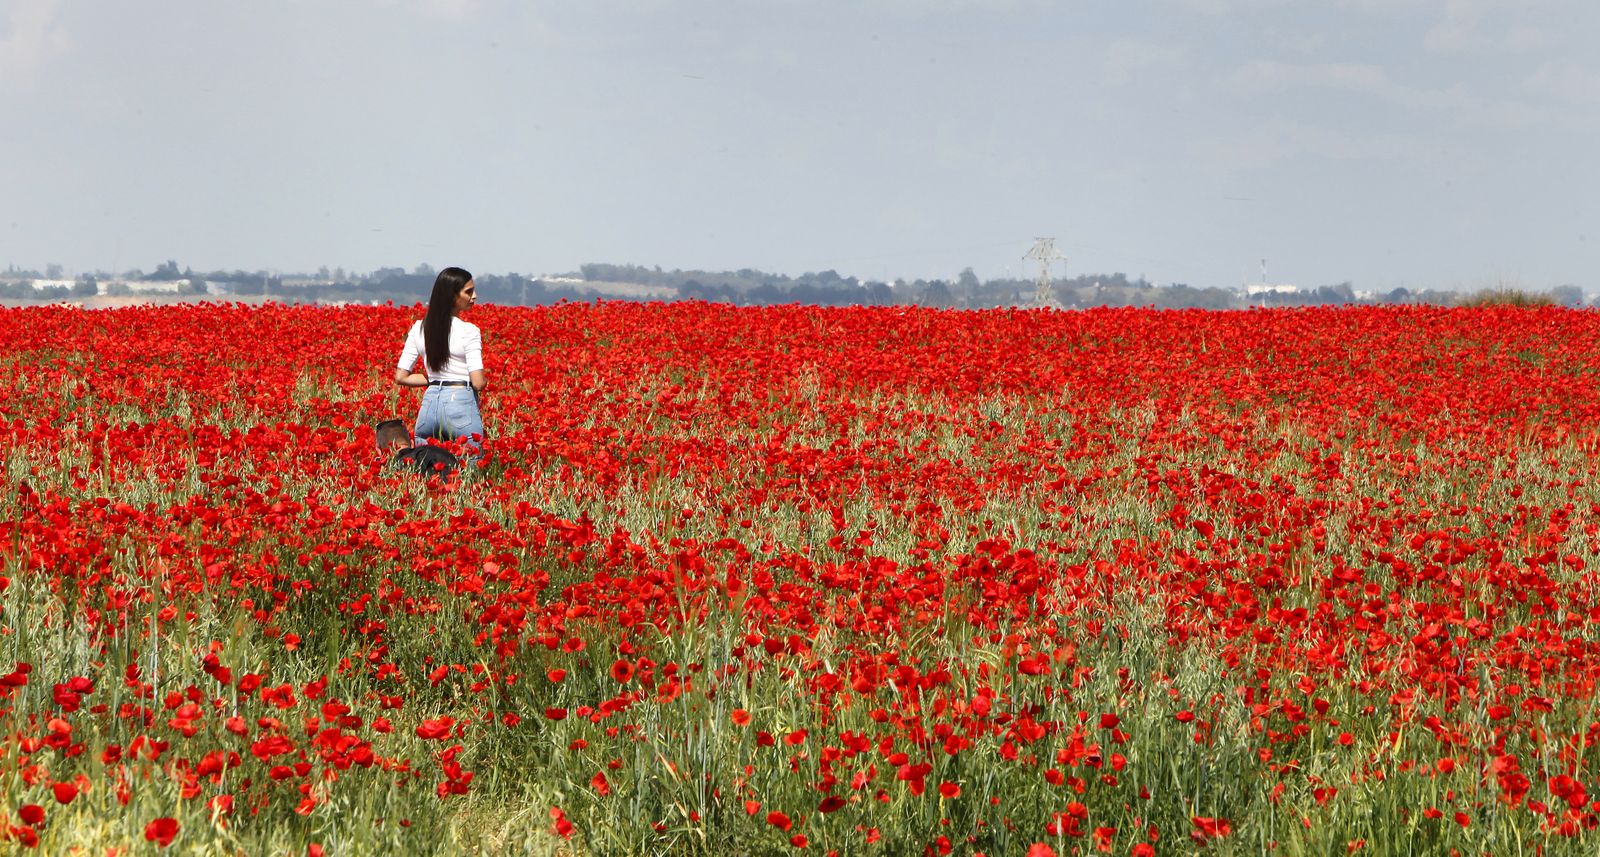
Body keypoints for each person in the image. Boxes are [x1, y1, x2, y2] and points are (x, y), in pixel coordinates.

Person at [394, 267, 487, 461]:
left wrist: (436, 380)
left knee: (425, 466)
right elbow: (478, 382)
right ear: (452, 296)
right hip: (460, 403)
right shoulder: (469, 331)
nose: (474, 296)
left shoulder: (419, 328)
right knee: (470, 470)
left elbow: (401, 377)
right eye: (468, 292)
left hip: (429, 406)